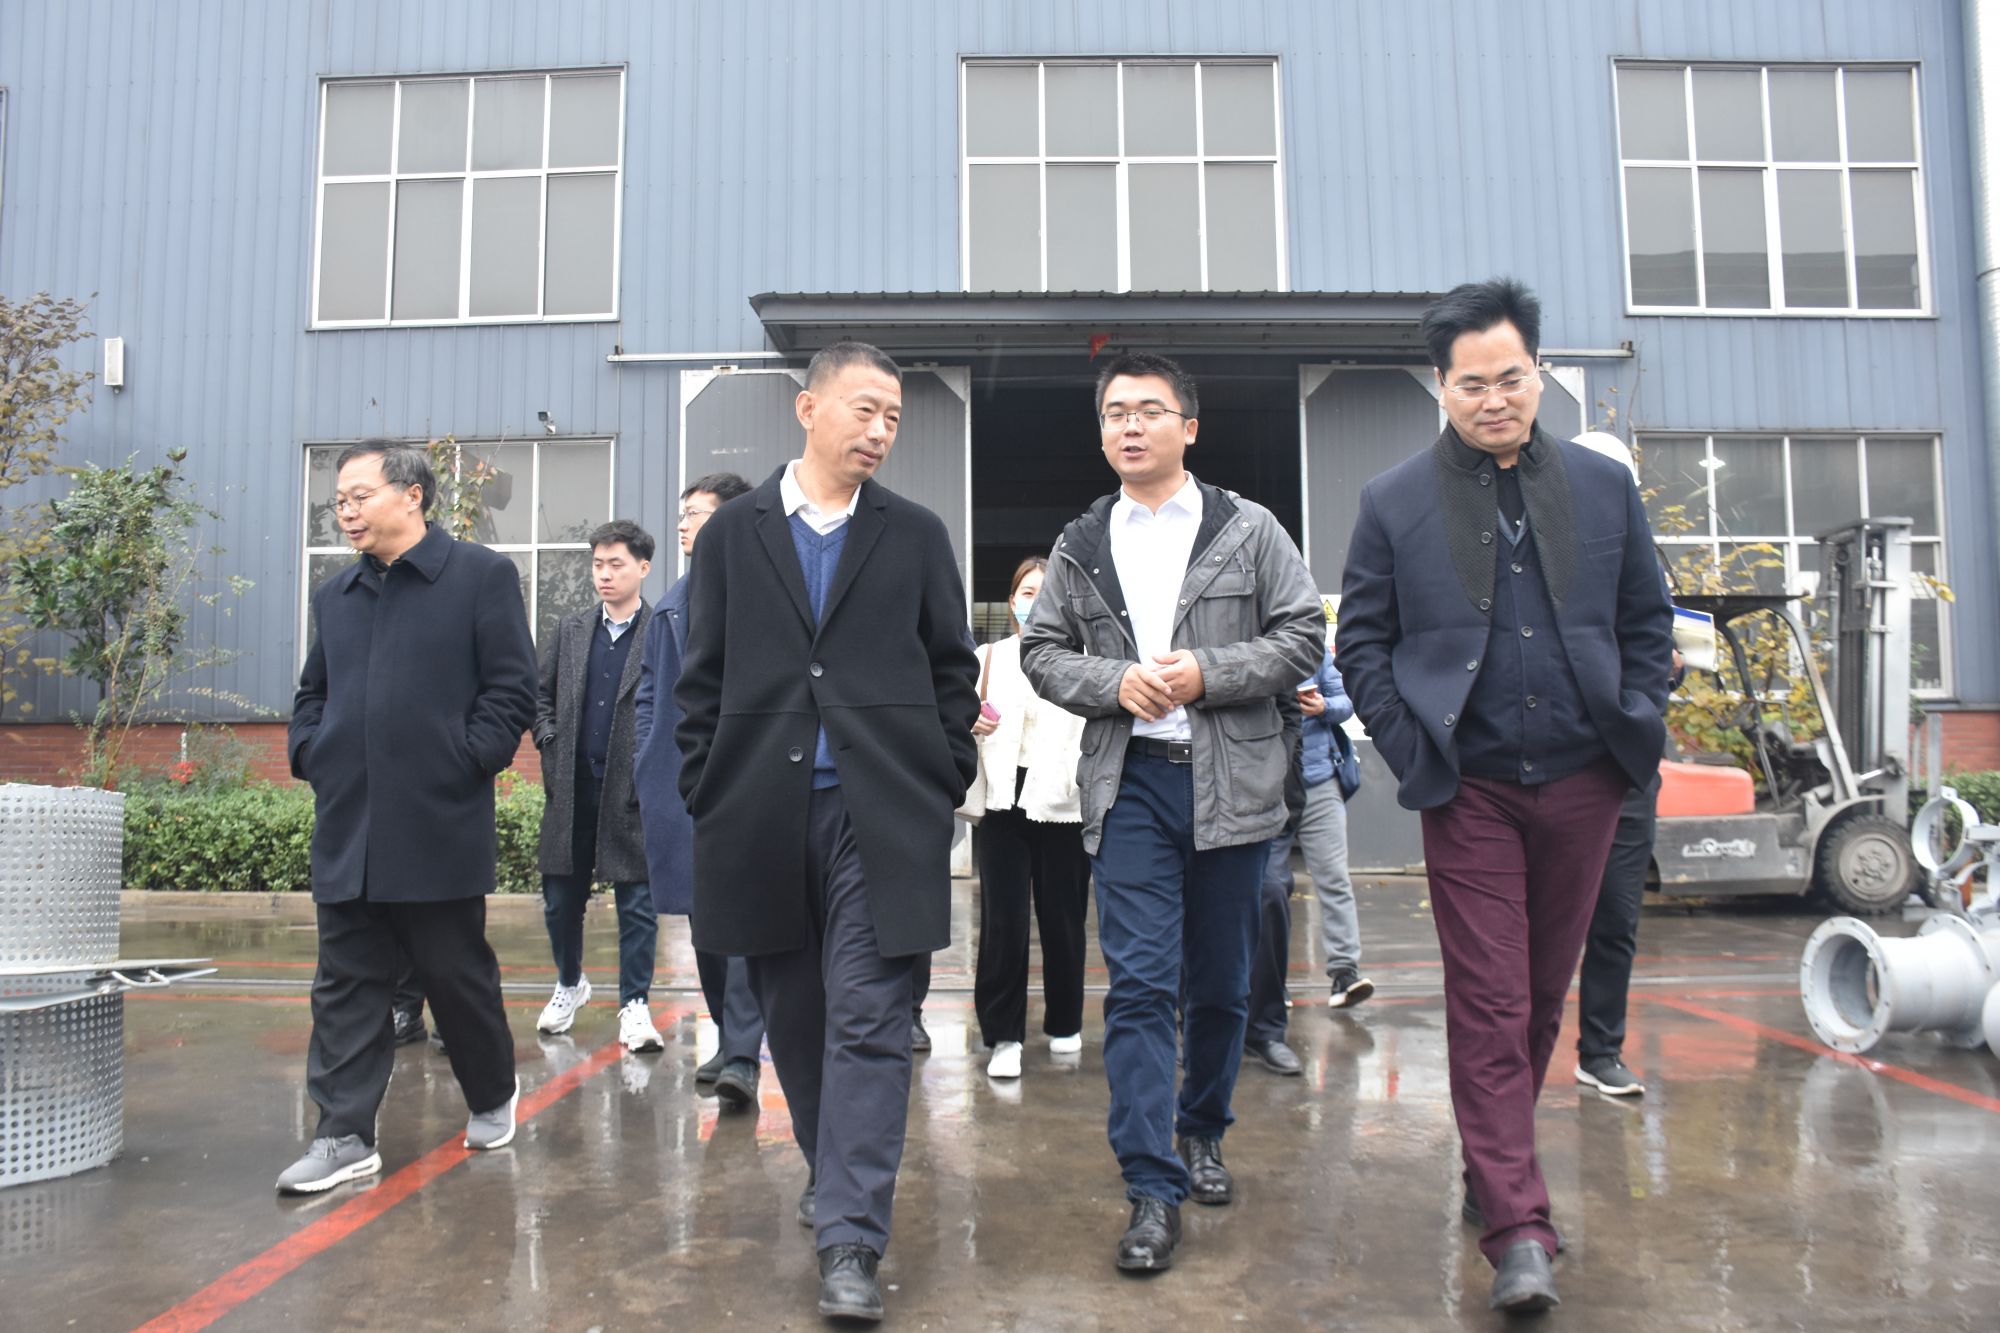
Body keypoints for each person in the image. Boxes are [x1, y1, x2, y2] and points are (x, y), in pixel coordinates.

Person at [1336, 279, 1673, 1312]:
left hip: (1584, 779)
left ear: (1539, 375)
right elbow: (1361, 643)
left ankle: (1493, 1164)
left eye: (1512, 378)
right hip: (1469, 788)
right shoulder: (1393, 500)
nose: (1495, 399)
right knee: (1488, 999)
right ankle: (1519, 1229)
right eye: (1472, 384)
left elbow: (1646, 620)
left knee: (1538, 996)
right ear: (1439, 386)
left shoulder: (1602, 487)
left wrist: (1634, 717)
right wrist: (1412, 747)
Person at [674, 340, 979, 1323]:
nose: (879, 430)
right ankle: (831, 1167)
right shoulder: (733, 536)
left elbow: (951, 669)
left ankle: (850, 1238)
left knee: (869, 1017)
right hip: (759, 817)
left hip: (878, 817)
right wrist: (706, 788)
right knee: (796, 1023)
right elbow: (701, 678)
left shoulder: (914, 534)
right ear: (807, 409)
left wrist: (938, 780)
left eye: (893, 416)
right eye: (863, 409)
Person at [1021, 351, 1322, 1274]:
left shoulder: (1250, 528)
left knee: (1222, 984)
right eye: (1116, 411)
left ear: (1189, 426)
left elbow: (1303, 635)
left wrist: (1208, 673)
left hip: (1234, 785)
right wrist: (1115, 682)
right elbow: (1041, 650)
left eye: (1150, 410)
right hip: (1133, 785)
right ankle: (1151, 1184)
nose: (1131, 424)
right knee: (1142, 986)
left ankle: (1202, 1131)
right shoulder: (1081, 542)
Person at [279, 439, 536, 1194]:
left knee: (455, 977)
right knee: (345, 986)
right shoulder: (337, 596)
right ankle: (343, 1134)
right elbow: (312, 694)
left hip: (436, 824)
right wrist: (312, 753)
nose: (346, 511)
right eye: (340, 501)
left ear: (412, 494)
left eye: (360, 495)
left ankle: (491, 1092)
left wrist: (465, 759)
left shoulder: (480, 576)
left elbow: (511, 691)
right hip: (349, 827)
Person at [632, 471, 765, 1108]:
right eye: (683, 514)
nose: (684, 525)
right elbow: (649, 695)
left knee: (742, 916)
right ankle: (726, 1038)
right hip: (679, 783)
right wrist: (646, 758)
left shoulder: (764, 595)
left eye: (698, 515)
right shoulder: (672, 605)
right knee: (703, 921)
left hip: (746, 780)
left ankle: (742, 1051)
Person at [531, 520, 664, 1054]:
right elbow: (540, 696)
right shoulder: (571, 630)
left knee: (637, 905)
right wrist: (548, 740)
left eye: (616, 564)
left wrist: (653, 768)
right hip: (572, 787)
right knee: (559, 901)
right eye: (598, 565)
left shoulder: (661, 632)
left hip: (630, 791)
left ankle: (636, 1004)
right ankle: (570, 983)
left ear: (643, 568)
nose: (604, 575)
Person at [966, 556, 1090, 1080]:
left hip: (1063, 800)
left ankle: (1065, 1021)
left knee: (1064, 919)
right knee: (1004, 921)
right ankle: (1004, 1035)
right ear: (1011, 601)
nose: (1034, 601)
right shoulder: (987, 657)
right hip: (1003, 799)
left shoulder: (1081, 658)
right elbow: (953, 712)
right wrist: (969, 719)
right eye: (1026, 592)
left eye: (1044, 592)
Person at [1243, 639, 1372, 1075]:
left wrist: (1322, 708)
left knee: (1334, 878)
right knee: (1270, 888)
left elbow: (1345, 701)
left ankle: (1345, 973)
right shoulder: (1253, 647)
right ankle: (1270, 986)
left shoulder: (1313, 651)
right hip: (1268, 785)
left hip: (1318, 781)